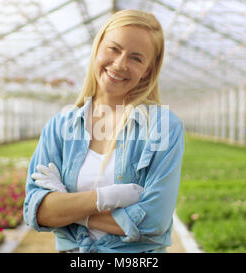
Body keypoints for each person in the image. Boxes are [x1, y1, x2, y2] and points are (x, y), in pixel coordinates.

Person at [23, 9, 185, 253]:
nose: (120, 64)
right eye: (114, 49)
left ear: (149, 70)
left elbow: (155, 220)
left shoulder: (162, 127)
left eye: (136, 58)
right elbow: (36, 210)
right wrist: (107, 197)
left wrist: (68, 208)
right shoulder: (60, 126)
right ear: (97, 46)